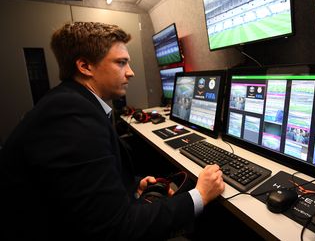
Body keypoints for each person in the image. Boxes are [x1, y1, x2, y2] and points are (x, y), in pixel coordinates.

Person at [0, 21, 225, 240]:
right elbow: (117, 229)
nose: (131, 72)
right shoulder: (71, 115)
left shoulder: (70, 102)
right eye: (121, 63)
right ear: (85, 66)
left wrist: (132, 184)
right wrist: (199, 195)